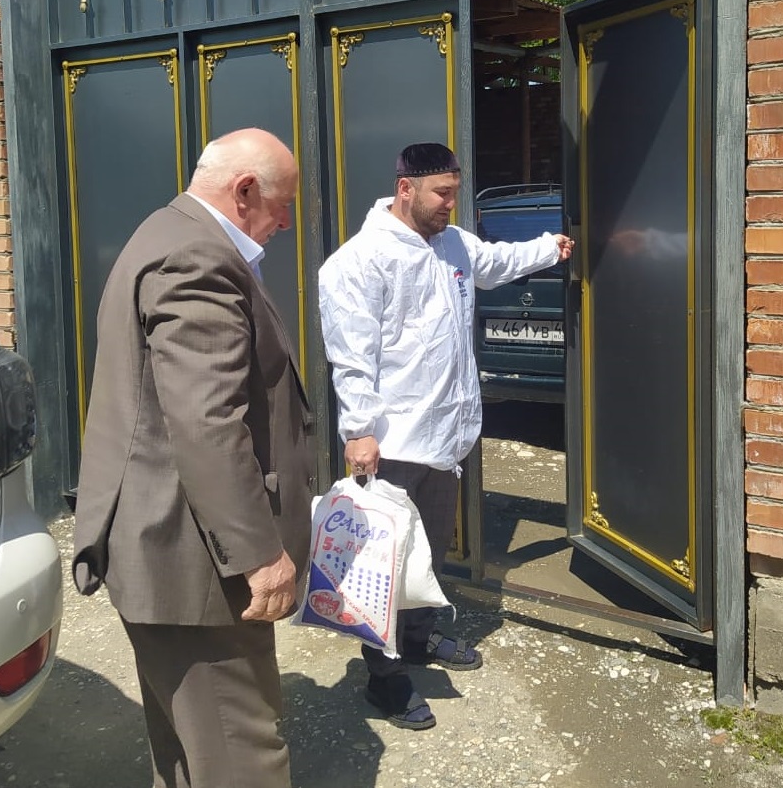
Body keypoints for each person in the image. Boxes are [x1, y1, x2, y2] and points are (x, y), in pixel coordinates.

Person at [72, 128, 314, 788]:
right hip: (195, 567)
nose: (286, 222)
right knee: (240, 760)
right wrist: (260, 554)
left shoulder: (167, 230)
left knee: (189, 754)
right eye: (283, 205)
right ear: (245, 191)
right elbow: (208, 423)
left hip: (174, 554)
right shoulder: (197, 256)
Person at [318, 143, 574, 731]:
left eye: (455, 193)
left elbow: (496, 262)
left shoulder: (453, 244)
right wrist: (359, 431)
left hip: (444, 439)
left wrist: (549, 248)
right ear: (405, 188)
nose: (450, 204)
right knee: (383, 567)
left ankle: (417, 639)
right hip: (392, 445)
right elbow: (351, 356)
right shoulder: (361, 261)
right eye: (442, 193)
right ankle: (384, 679)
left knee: (428, 554)